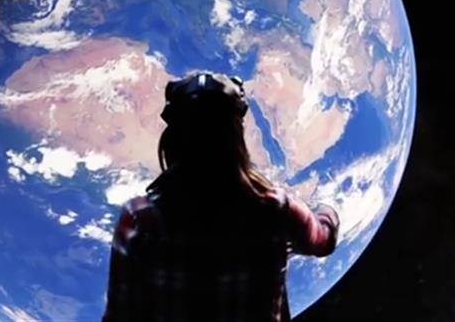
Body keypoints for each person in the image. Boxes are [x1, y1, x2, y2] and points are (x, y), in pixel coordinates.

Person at [103, 72, 341, 322]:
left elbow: (119, 315)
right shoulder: (276, 209)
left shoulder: (139, 219)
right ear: (235, 137)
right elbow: (323, 240)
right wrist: (325, 210)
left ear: (173, 140)